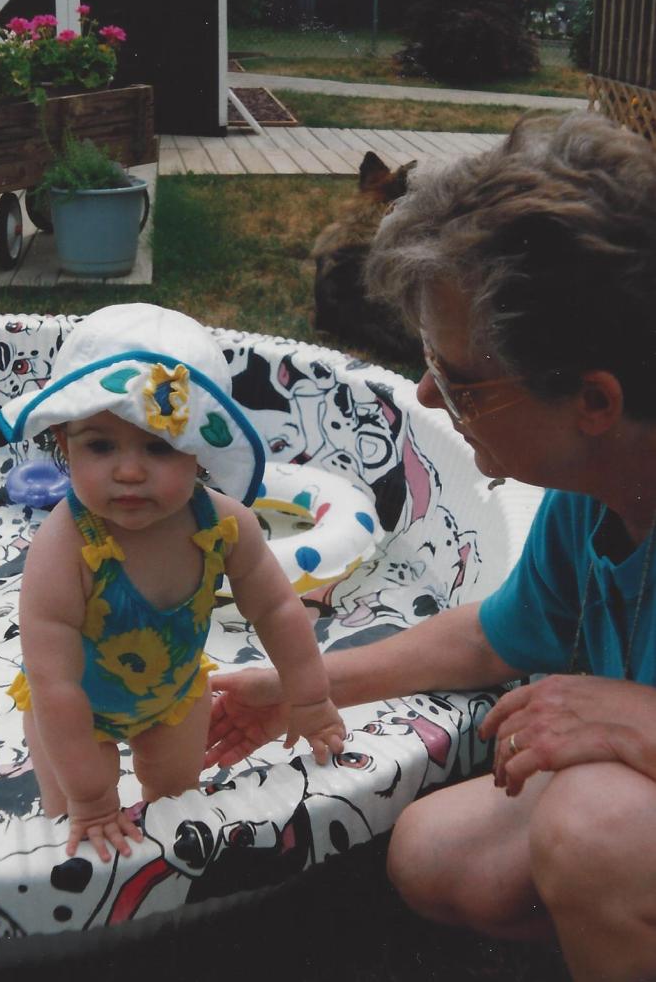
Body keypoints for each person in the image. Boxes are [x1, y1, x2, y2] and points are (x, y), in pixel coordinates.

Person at [205, 112, 656, 982]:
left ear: (594, 402)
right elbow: (492, 635)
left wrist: (640, 725)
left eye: (461, 379)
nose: (425, 395)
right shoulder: (598, 489)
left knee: (594, 831)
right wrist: (296, 686)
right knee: (435, 853)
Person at [0, 303, 345, 862]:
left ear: (200, 450)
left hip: (175, 696)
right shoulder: (65, 550)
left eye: (159, 446)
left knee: (179, 807)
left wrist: (309, 697)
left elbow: (278, 610)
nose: (129, 471)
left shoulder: (225, 526)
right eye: (100, 445)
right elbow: (54, 684)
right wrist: (93, 799)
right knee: (73, 822)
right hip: (72, 712)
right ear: (63, 442)